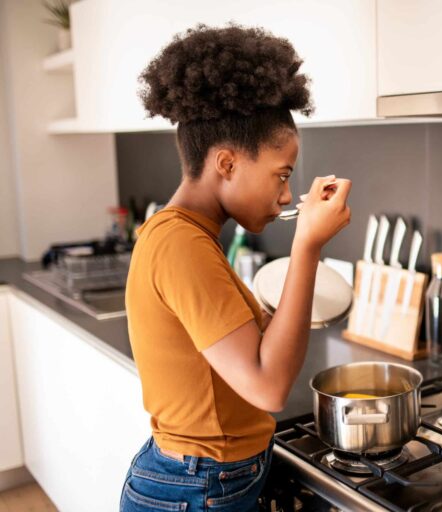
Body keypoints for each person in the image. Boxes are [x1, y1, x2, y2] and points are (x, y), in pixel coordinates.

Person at [120, 24, 351, 512]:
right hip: (194, 489)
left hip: (206, 480)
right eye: (282, 175)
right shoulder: (180, 244)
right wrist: (307, 245)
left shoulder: (189, 235)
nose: (287, 194)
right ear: (226, 163)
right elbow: (267, 386)